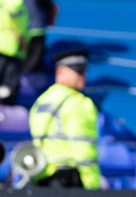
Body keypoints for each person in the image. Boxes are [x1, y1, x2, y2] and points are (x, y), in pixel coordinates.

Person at [28, 49, 101, 189]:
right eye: (78, 71)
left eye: (84, 72)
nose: (83, 76)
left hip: (42, 177)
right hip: (70, 179)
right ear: (60, 71)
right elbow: (83, 147)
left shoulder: (42, 100)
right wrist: (92, 183)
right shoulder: (78, 102)